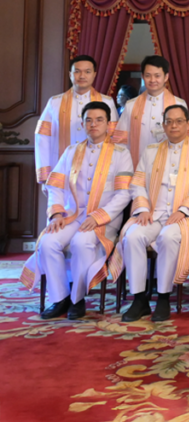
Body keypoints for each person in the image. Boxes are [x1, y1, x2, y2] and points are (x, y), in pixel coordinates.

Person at [21, 102, 133, 319]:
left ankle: (77, 299)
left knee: (81, 243)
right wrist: (56, 213)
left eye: (99, 120)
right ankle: (59, 298)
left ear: (109, 124)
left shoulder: (121, 153)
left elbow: (124, 194)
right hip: (72, 215)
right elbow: (56, 186)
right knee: (48, 241)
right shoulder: (71, 151)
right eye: (89, 120)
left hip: (104, 219)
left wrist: (99, 216)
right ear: (82, 124)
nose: (93, 124)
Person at [111, 105, 189, 322]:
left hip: (187, 215)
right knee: (132, 236)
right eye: (169, 121)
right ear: (164, 124)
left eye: (179, 121)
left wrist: (184, 210)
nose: (174, 125)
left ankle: (164, 297)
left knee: (169, 237)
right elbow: (137, 183)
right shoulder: (151, 151)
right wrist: (141, 208)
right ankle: (139, 299)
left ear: (188, 124)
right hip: (153, 212)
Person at [35, 56, 119, 186]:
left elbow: (113, 137)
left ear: (94, 74)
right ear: (70, 74)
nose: (82, 75)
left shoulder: (106, 101)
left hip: (97, 168)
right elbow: (42, 137)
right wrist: (45, 173)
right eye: (77, 71)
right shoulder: (55, 102)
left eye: (87, 71)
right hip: (61, 168)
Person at [113, 55, 187, 167]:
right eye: (148, 75)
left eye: (157, 76)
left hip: (169, 167)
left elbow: (185, 140)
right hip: (136, 166)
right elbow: (121, 141)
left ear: (166, 77)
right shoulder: (131, 105)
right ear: (142, 76)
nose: (153, 80)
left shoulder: (179, 104)